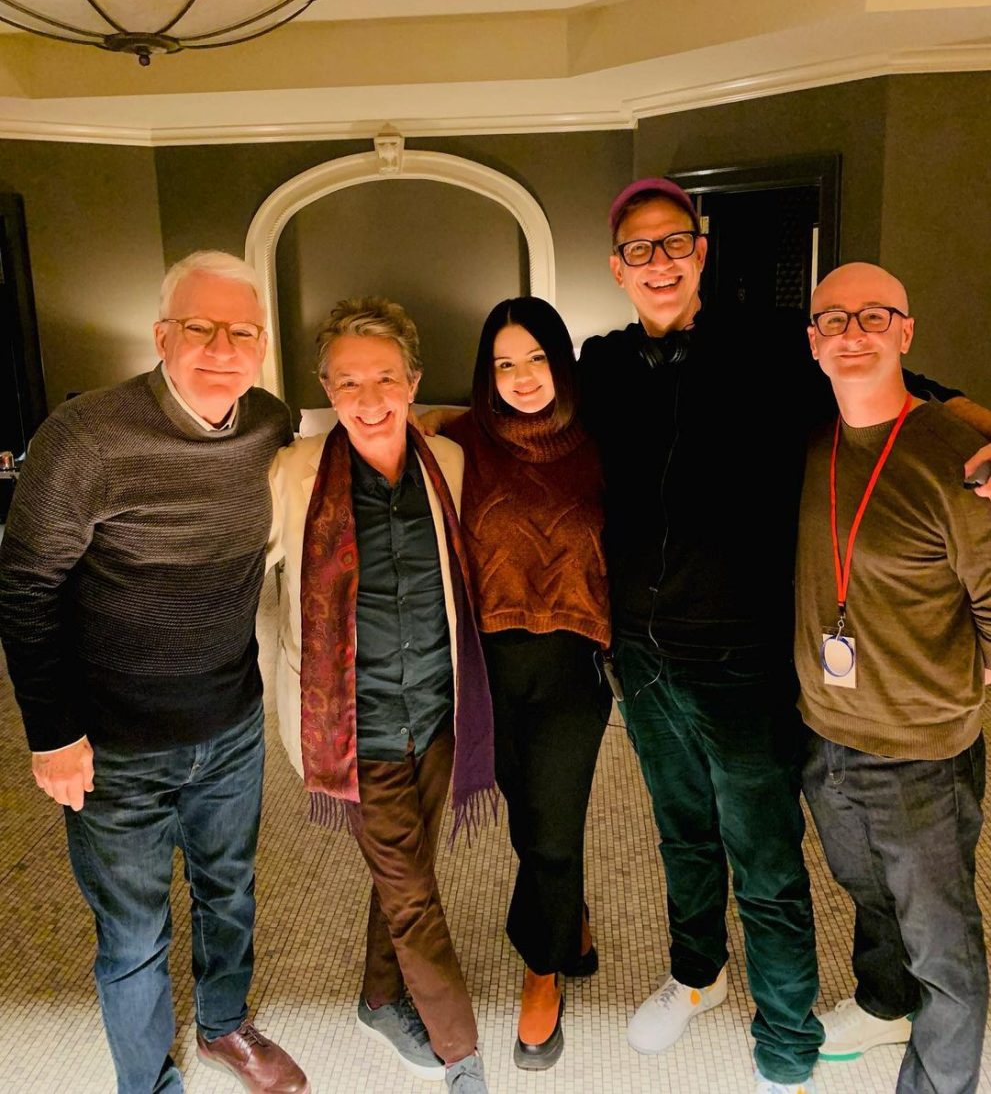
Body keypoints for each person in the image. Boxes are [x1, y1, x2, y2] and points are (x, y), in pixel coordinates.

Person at [576, 178, 987, 1094]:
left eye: (673, 242)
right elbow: (524, 419)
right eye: (639, 249)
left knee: (764, 859)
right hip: (641, 656)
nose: (658, 261)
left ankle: (786, 1042)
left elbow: (906, 394)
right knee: (682, 834)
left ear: (700, 251)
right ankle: (695, 975)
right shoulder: (600, 365)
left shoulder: (771, 348)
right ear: (616, 268)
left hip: (743, 662)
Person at [0, 251, 307, 1094]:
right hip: (112, 742)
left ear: (262, 345)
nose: (222, 348)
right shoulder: (86, 437)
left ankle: (223, 1025)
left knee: (228, 889)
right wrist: (52, 733)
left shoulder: (268, 422)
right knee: (132, 933)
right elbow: (24, 585)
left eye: (242, 331)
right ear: (162, 335)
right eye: (200, 328)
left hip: (230, 722)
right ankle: (145, 1081)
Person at [267, 297, 496, 1094]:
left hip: (436, 709)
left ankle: (376, 996)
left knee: (408, 874)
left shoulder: (448, 464)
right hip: (351, 725)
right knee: (413, 900)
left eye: (385, 378)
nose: (369, 399)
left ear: (413, 381)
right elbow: (238, 577)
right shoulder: (292, 474)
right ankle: (461, 1055)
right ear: (326, 388)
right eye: (348, 382)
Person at [796, 262, 991, 1094]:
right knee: (867, 894)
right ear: (812, 342)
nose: (852, 333)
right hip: (825, 734)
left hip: (920, 754)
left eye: (872, 316)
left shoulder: (961, 459)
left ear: (905, 332)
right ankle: (882, 1002)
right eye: (832, 320)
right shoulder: (813, 442)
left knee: (943, 948)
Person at [442, 297, 612, 1071]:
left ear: (560, 362)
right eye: (503, 363)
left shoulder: (602, 441)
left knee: (552, 824)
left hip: (574, 662)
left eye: (536, 358)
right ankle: (567, 919)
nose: (520, 377)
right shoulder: (457, 443)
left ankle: (541, 973)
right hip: (487, 665)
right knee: (526, 813)